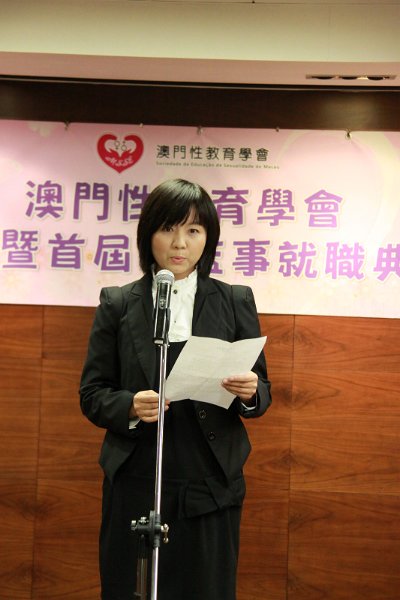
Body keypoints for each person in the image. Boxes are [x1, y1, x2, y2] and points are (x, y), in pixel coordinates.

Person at [80, 178, 272, 600]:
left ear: (209, 238)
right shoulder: (117, 302)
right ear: (148, 234)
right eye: (167, 228)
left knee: (205, 589)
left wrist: (249, 391)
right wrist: (130, 405)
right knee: (129, 589)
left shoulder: (235, 299)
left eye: (193, 230)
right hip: (136, 477)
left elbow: (262, 391)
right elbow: (92, 394)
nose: (179, 243)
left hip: (210, 482)